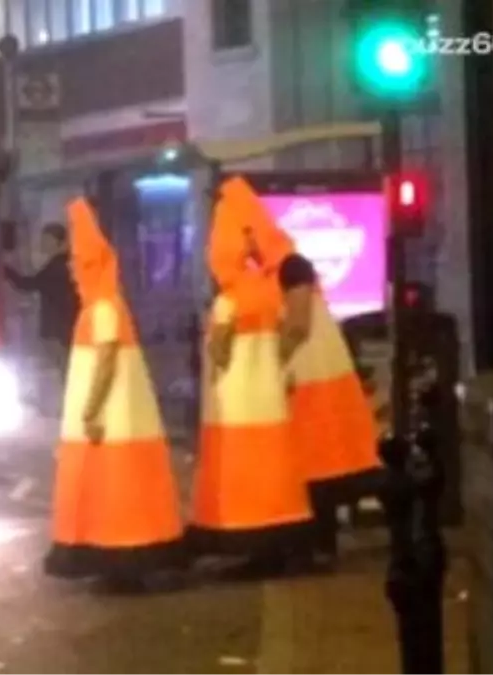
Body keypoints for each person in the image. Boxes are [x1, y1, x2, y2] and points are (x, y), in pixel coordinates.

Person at [219, 177, 382, 563]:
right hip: (309, 374)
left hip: (312, 376)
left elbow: (298, 323)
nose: (246, 246)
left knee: (318, 464)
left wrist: (273, 361)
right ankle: (315, 545)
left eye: (248, 235)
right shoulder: (274, 271)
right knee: (313, 465)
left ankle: (319, 547)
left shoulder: (291, 266)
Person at [44, 197, 184, 591]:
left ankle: (122, 566)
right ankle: (120, 566)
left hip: (110, 425)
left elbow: (105, 361)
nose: (71, 270)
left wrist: (90, 410)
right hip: (116, 422)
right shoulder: (103, 305)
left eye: (76, 262)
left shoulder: (103, 307)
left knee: (114, 493)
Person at [187, 180, 316, 577]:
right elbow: (291, 332)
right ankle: (280, 547)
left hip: (238, 408)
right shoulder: (268, 290)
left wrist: (214, 343)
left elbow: (220, 352)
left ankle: (250, 547)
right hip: (270, 403)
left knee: (243, 478)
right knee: (274, 473)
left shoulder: (230, 299)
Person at [5, 222, 79, 376]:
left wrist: (6, 270)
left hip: (58, 330)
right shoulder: (67, 263)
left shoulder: (57, 267)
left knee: (66, 370)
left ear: (58, 242)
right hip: (68, 328)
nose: (42, 244)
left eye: (46, 240)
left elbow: (27, 284)